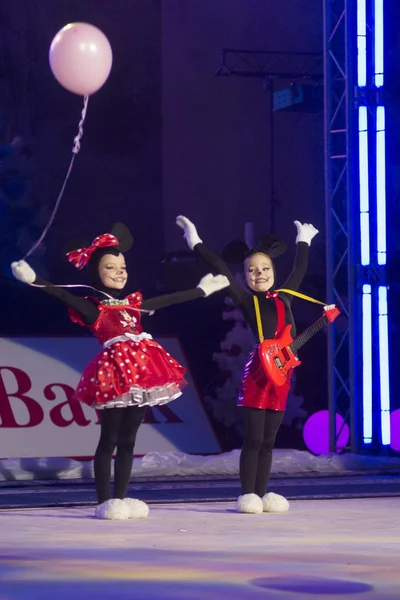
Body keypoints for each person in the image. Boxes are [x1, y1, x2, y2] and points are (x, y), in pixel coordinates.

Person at [11, 222, 229, 520]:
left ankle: (122, 497)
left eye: (122, 266)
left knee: (129, 441)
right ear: (96, 272)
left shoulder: (133, 304)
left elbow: (166, 300)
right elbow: (63, 295)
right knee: (109, 439)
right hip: (115, 375)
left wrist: (201, 290)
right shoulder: (94, 308)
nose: (119, 271)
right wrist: (34, 279)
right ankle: (104, 502)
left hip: (142, 374)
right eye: (111, 266)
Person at [176, 215, 318, 514]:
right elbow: (219, 267)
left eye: (265, 268)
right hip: (258, 374)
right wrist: (195, 240)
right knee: (253, 438)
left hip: (281, 374)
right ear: (244, 275)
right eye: (251, 270)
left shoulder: (286, 296)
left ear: (273, 271)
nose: (259, 274)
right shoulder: (244, 298)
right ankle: (248, 494)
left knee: (268, 440)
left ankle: (263, 493)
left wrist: (303, 240)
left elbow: (300, 268)